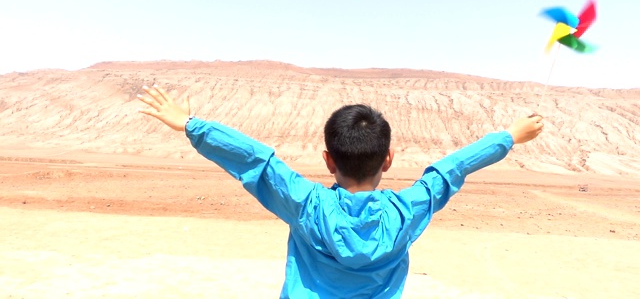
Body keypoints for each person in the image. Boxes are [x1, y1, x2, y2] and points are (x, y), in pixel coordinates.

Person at [137, 84, 544, 298]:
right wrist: (509, 135)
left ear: (328, 160)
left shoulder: (306, 204)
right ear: (388, 160)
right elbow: (450, 170)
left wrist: (191, 124)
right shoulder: (407, 211)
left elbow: (256, 161)